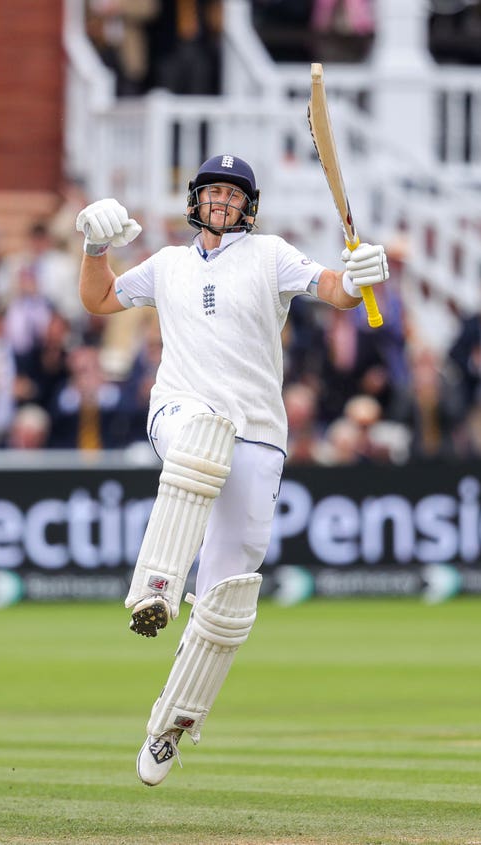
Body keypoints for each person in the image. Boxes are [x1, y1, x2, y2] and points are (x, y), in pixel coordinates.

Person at [75, 154, 390, 787]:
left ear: (248, 205)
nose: (222, 201)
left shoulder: (270, 255)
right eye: (212, 190)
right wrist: (92, 246)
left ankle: (170, 726)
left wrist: (359, 278)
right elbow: (102, 299)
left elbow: (332, 290)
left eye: (232, 193)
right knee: (198, 440)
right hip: (181, 408)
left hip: (260, 432)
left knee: (228, 597)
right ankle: (155, 590)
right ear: (196, 199)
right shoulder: (167, 263)